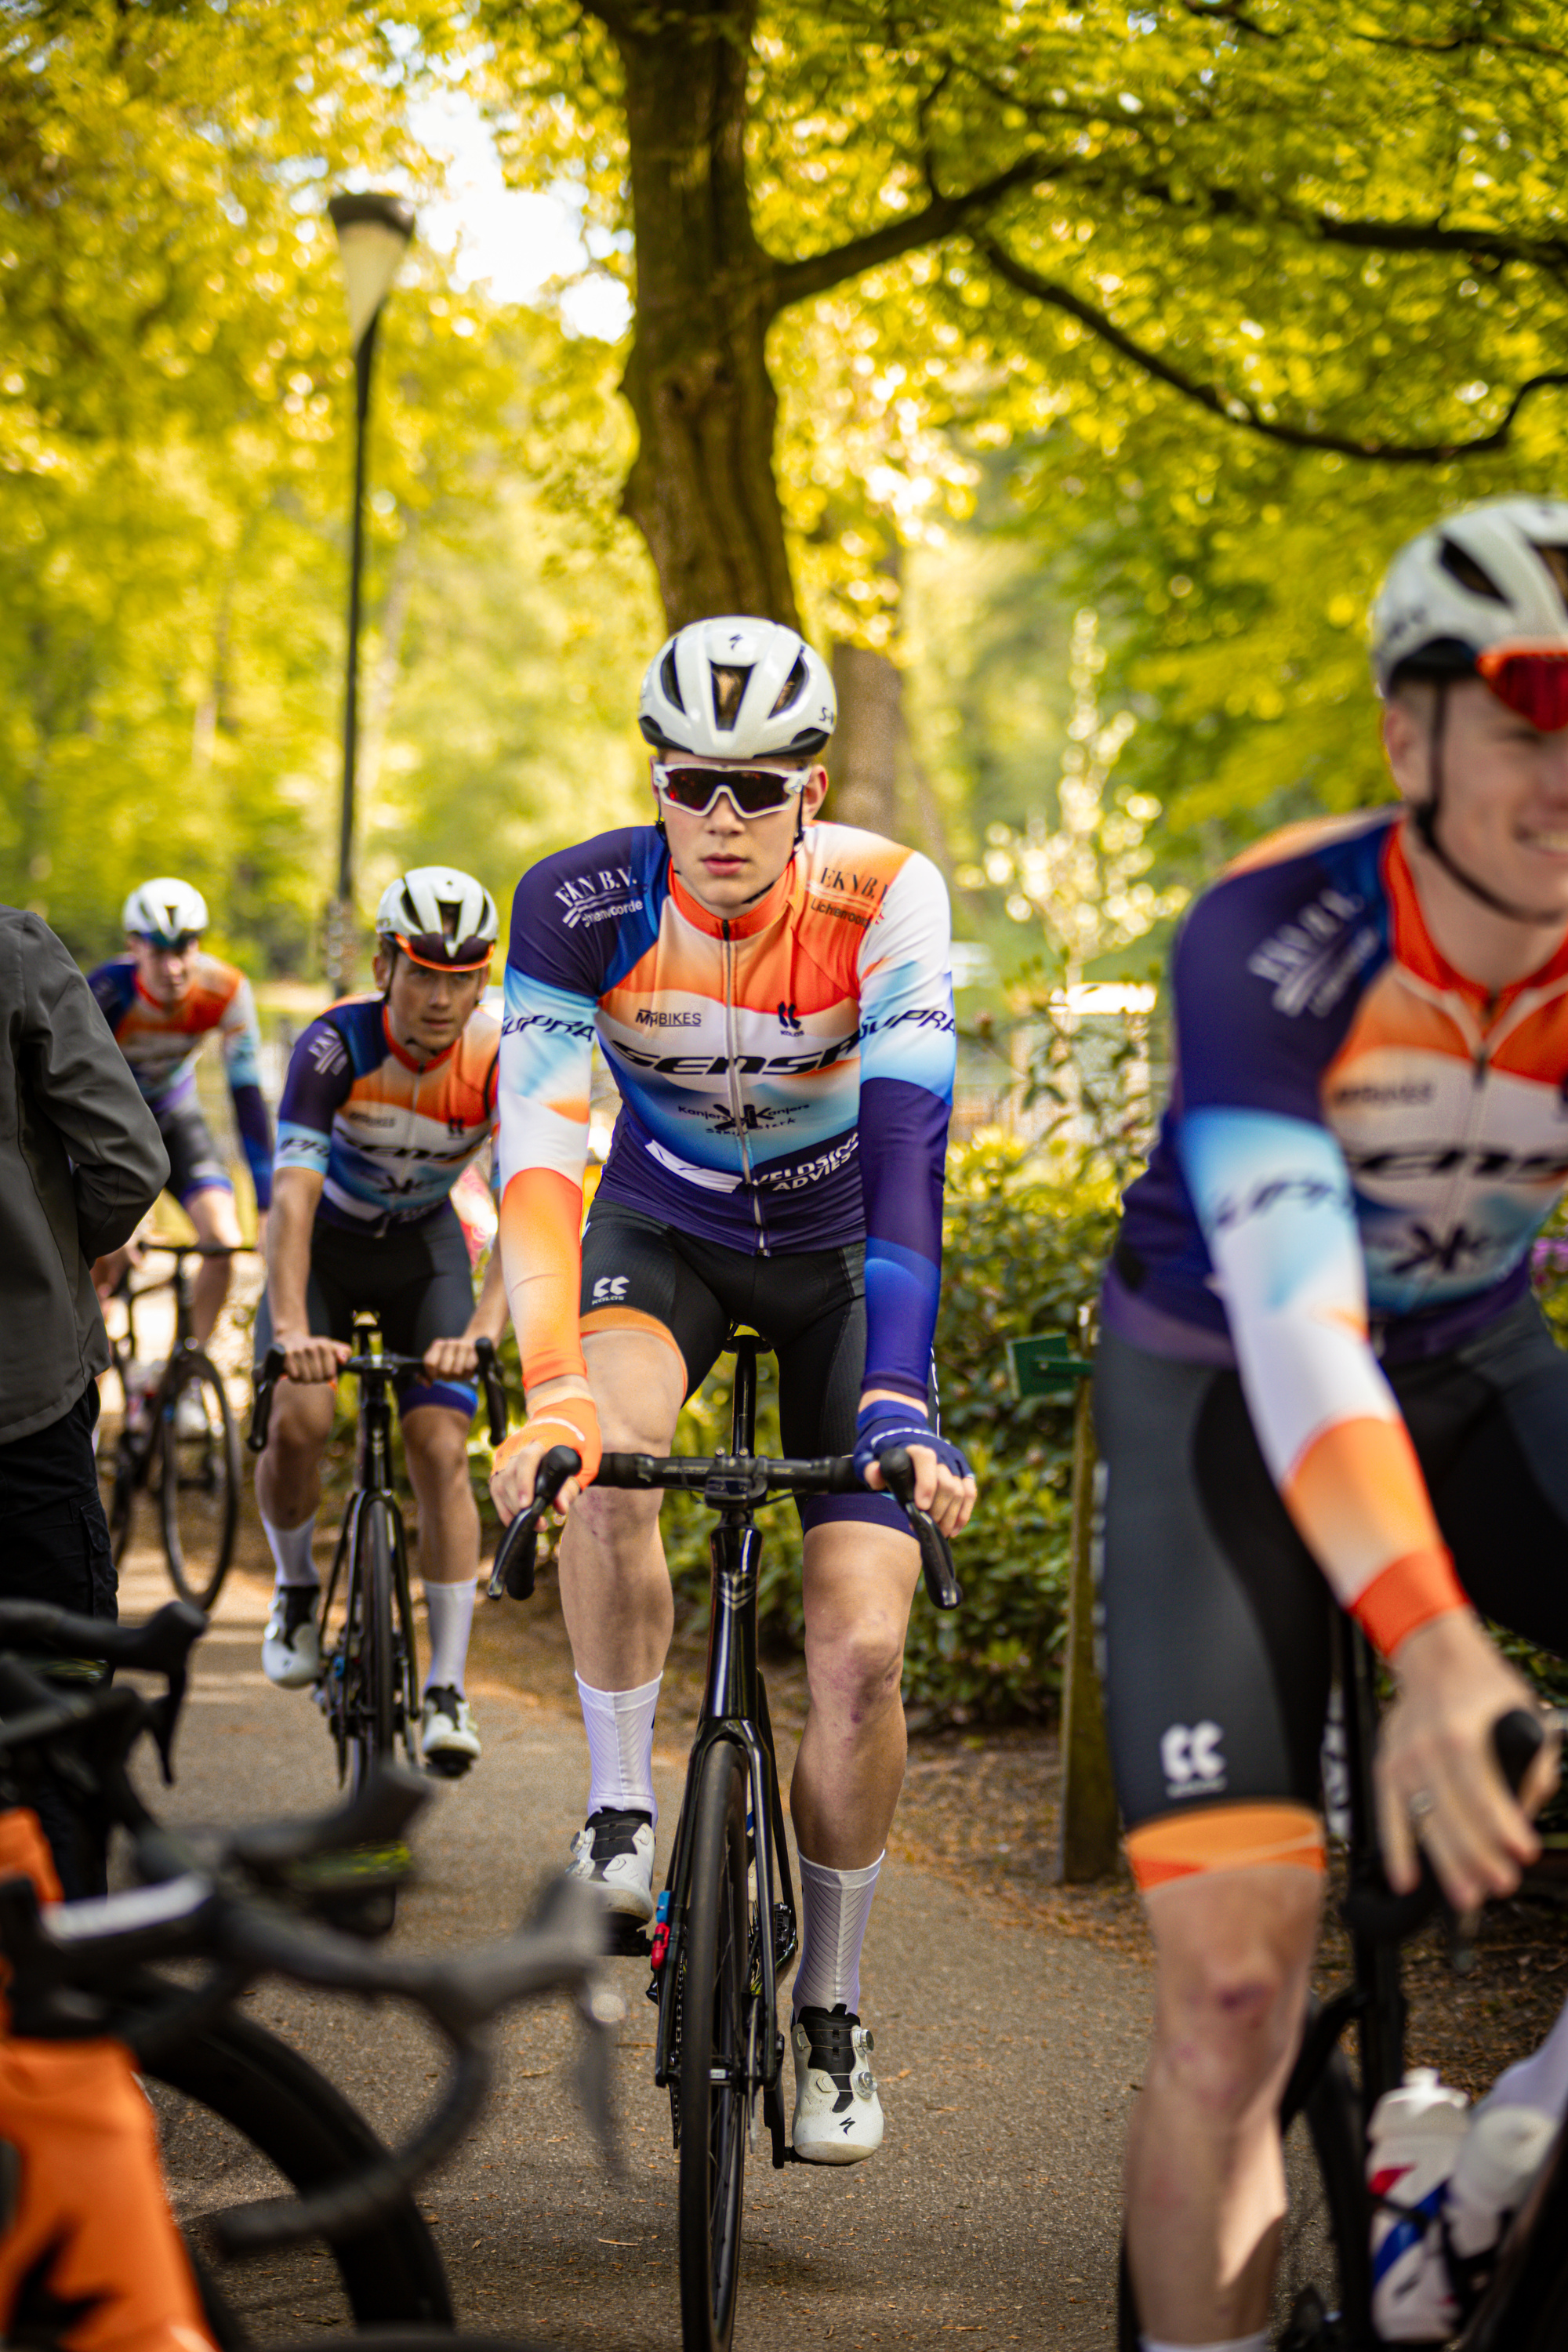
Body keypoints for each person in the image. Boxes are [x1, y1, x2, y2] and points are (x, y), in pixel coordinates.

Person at [1096, 495, 1568, 2351]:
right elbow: (1296, 1325)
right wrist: (1437, 1650)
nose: (1564, 775)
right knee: (1229, 1990)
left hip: (1470, 1362)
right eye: (1530, 721)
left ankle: (1500, 2151)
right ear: (1408, 734)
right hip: (1219, 1385)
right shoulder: (1273, 932)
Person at [489, 614, 975, 2162]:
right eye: (691, 782)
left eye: (756, 789)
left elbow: (909, 1157)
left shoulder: (886, 899)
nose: (720, 817)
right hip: (665, 1229)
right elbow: (537, 1157)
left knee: (857, 1654)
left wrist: (896, 1397)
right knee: (610, 1460)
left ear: (810, 792)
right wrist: (551, 1387)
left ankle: (831, 2004)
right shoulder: (576, 902)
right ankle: (624, 1804)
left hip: (844, 1263)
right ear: (656, 779)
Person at [252, 866, 508, 1774]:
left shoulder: (498, 1058)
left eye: (461, 975)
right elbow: (290, 1197)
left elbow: (527, 1203)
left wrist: (482, 1326)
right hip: (321, 1248)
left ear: (482, 980)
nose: (441, 995)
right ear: (382, 967)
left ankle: (445, 1684)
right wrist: (289, 1329)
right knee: (301, 1420)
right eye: (421, 972)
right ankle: (294, 1587)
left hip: (422, 1251)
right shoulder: (333, 1046)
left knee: (440, 1446)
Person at [0, 903, 169, 1893]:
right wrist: (59, 1253)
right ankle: (65, 2022)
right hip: (19, 1393)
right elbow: (128, 1160)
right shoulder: (14, 951)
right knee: (57, 1718)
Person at [89, 878, 273, 1346]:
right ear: (133, 947)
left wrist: (269, 1205)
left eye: (185, 947)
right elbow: (73, 1099)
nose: (174, 967)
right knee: (99, 1251)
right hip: (108, 1129)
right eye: (158, 951)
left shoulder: (226, 991)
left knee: (223, 1243)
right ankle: (88, 1365)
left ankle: (184, 1373)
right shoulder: (105, 993)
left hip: (174, 1116)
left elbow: (247, 1098)